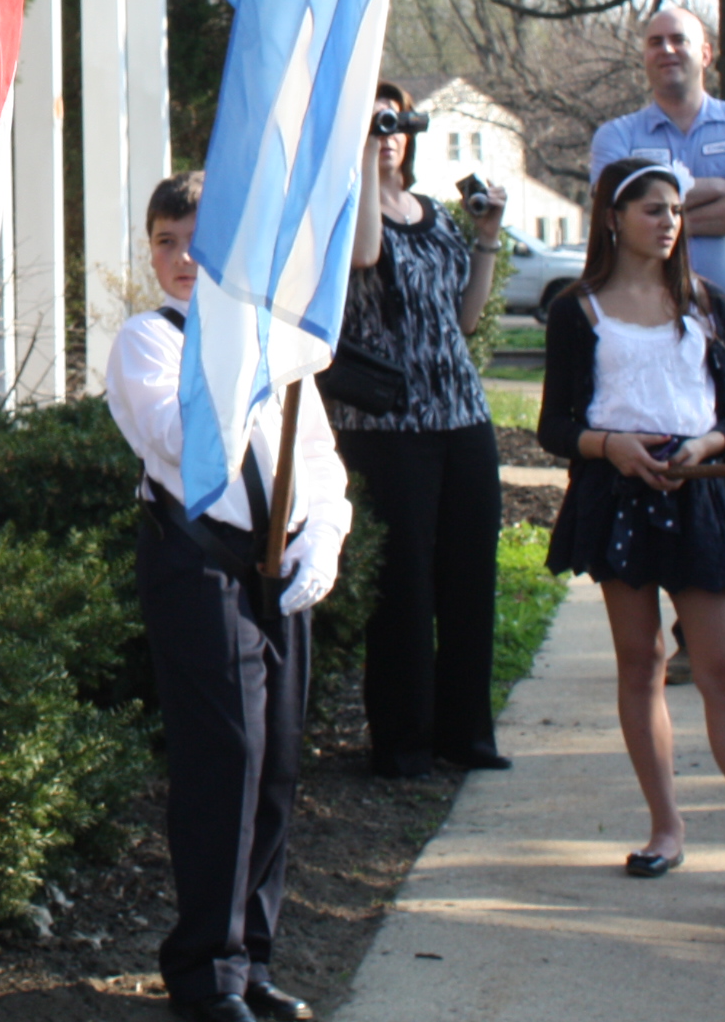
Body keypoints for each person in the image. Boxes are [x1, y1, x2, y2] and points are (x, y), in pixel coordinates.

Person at [107, 171, 349, 1022]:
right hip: (196, 560)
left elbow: (314, 456)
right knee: (227, 757)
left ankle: (253, 956)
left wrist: (324, 532)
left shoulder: (278, 347)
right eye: (165, 243)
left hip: (274, 564)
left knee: (278, 758)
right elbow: (183, 440)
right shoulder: (151, 341)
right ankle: (205, 971)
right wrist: (243, 354)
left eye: (197, 242)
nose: (180, 258)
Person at [539, 159, 725, 887]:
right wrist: (610, 446)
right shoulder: (577, 308)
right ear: (612, 218)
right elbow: (556, 424)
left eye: (674, 209)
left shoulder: (708, 304)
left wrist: (708, 444)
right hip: (617, 497)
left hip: (699, 492)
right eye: (651, 208)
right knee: (642, 661)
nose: (668, 221)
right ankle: (665, 827)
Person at [589, 4, 725, 680]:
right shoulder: (617, 134)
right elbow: (612, 219)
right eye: (654, 42)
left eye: (679, 39)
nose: (666, 50)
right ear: (643, 56)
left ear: (706, 52)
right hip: (655, 327)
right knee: (673, 477)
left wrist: (665, 206)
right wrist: (711, 188)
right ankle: (693, 641)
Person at [327, 80, 508, 778]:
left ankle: (466, 736)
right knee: (404, 586)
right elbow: (366, 256)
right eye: (378, 121)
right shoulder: (347, 211)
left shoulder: (434, 216)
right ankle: (403, 741)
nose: (392, 132)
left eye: (399, 121)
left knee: (468, 577)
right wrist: (363, 153)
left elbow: (465, 319)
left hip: (460, 416)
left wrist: (486, 238)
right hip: (384, 423)